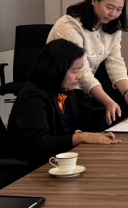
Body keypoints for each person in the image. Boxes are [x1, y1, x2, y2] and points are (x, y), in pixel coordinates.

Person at [6, 39, 121, 171]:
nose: (79, 76)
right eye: (75, 71)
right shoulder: (32, 98)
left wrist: (95, 136)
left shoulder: (64, 91)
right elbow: (39, 144)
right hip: (33, 169)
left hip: (61, 162)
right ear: (57, 70)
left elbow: (69, 132)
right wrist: (81, 137)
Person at [47, 0, 128, 124]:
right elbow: (82, 71)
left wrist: (127, 92)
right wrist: (107, 101)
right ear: (94, 0)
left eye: (119, 9)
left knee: (122, 101)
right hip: (58, 90)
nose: (113, 14)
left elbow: (115, 62)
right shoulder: (70, 25)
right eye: (109, 7)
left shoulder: (112, 27)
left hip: (80, 90)